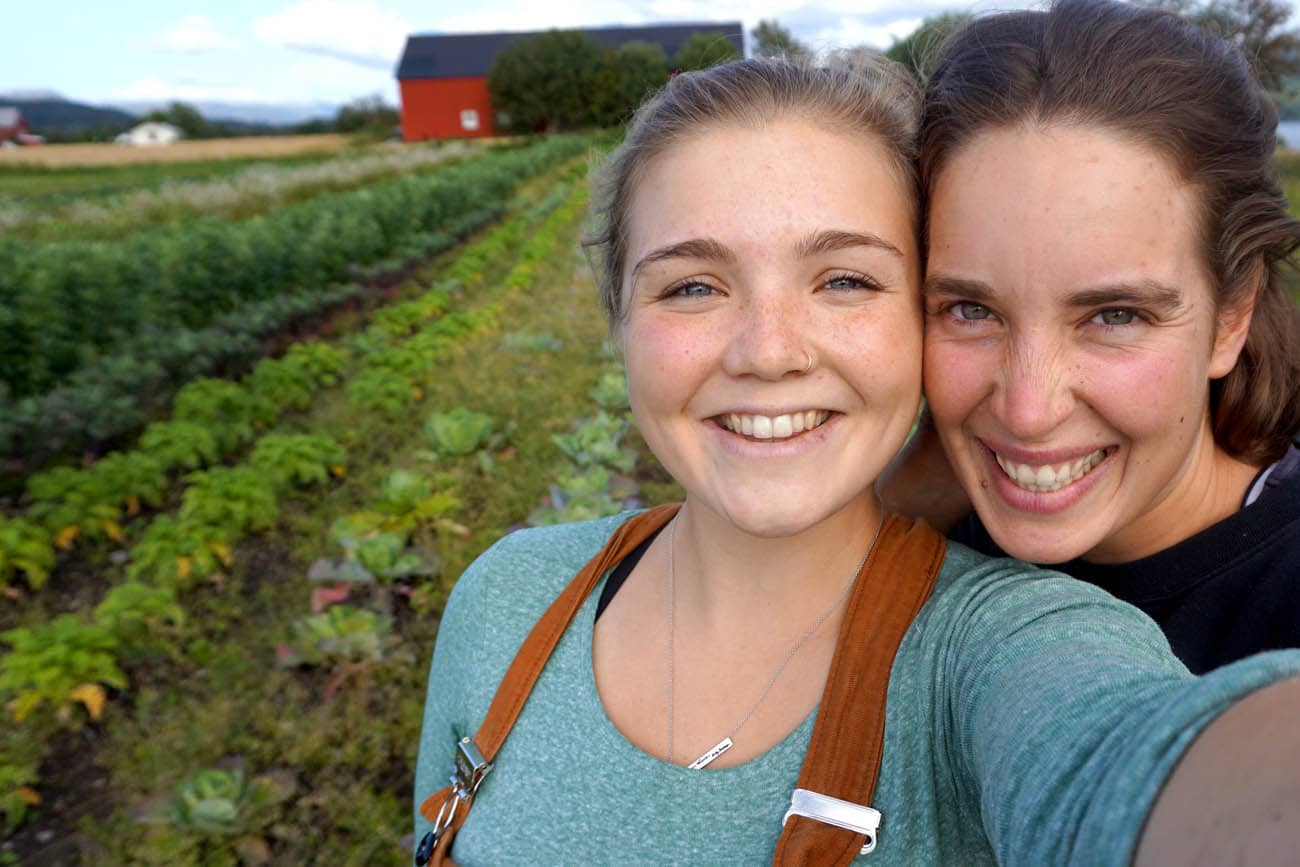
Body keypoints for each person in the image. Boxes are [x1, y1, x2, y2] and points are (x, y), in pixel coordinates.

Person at [414, 56, 1300, 865]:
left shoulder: (1001, 641)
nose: (768, 351)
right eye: (692, 285)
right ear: (620, 321)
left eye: (845, 280)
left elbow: (1120, 758)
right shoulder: (504, 601)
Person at [882, 0, 1300, 674]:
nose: (1029, 409)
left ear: (1232, 314)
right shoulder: (931, 545)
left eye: (1115, 316)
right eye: (969, 309)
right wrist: (894, 508)